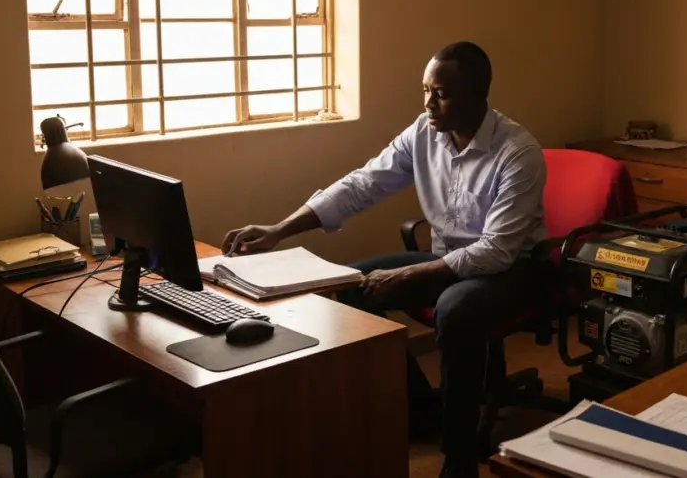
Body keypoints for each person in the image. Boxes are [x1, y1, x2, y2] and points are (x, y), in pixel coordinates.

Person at [222, 41, 546, 478]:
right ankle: (422, 410)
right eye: (425, 90)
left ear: (477, 96)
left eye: (441, 94)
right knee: (347, 288)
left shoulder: (517, 152)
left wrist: (409, 273)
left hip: (512, 271)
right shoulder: (424, 133)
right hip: (448, 259)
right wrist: (279, 229)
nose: (428, 104)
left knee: (455, 310)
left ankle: (460, 460)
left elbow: (496, 251)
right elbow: (363, 184)